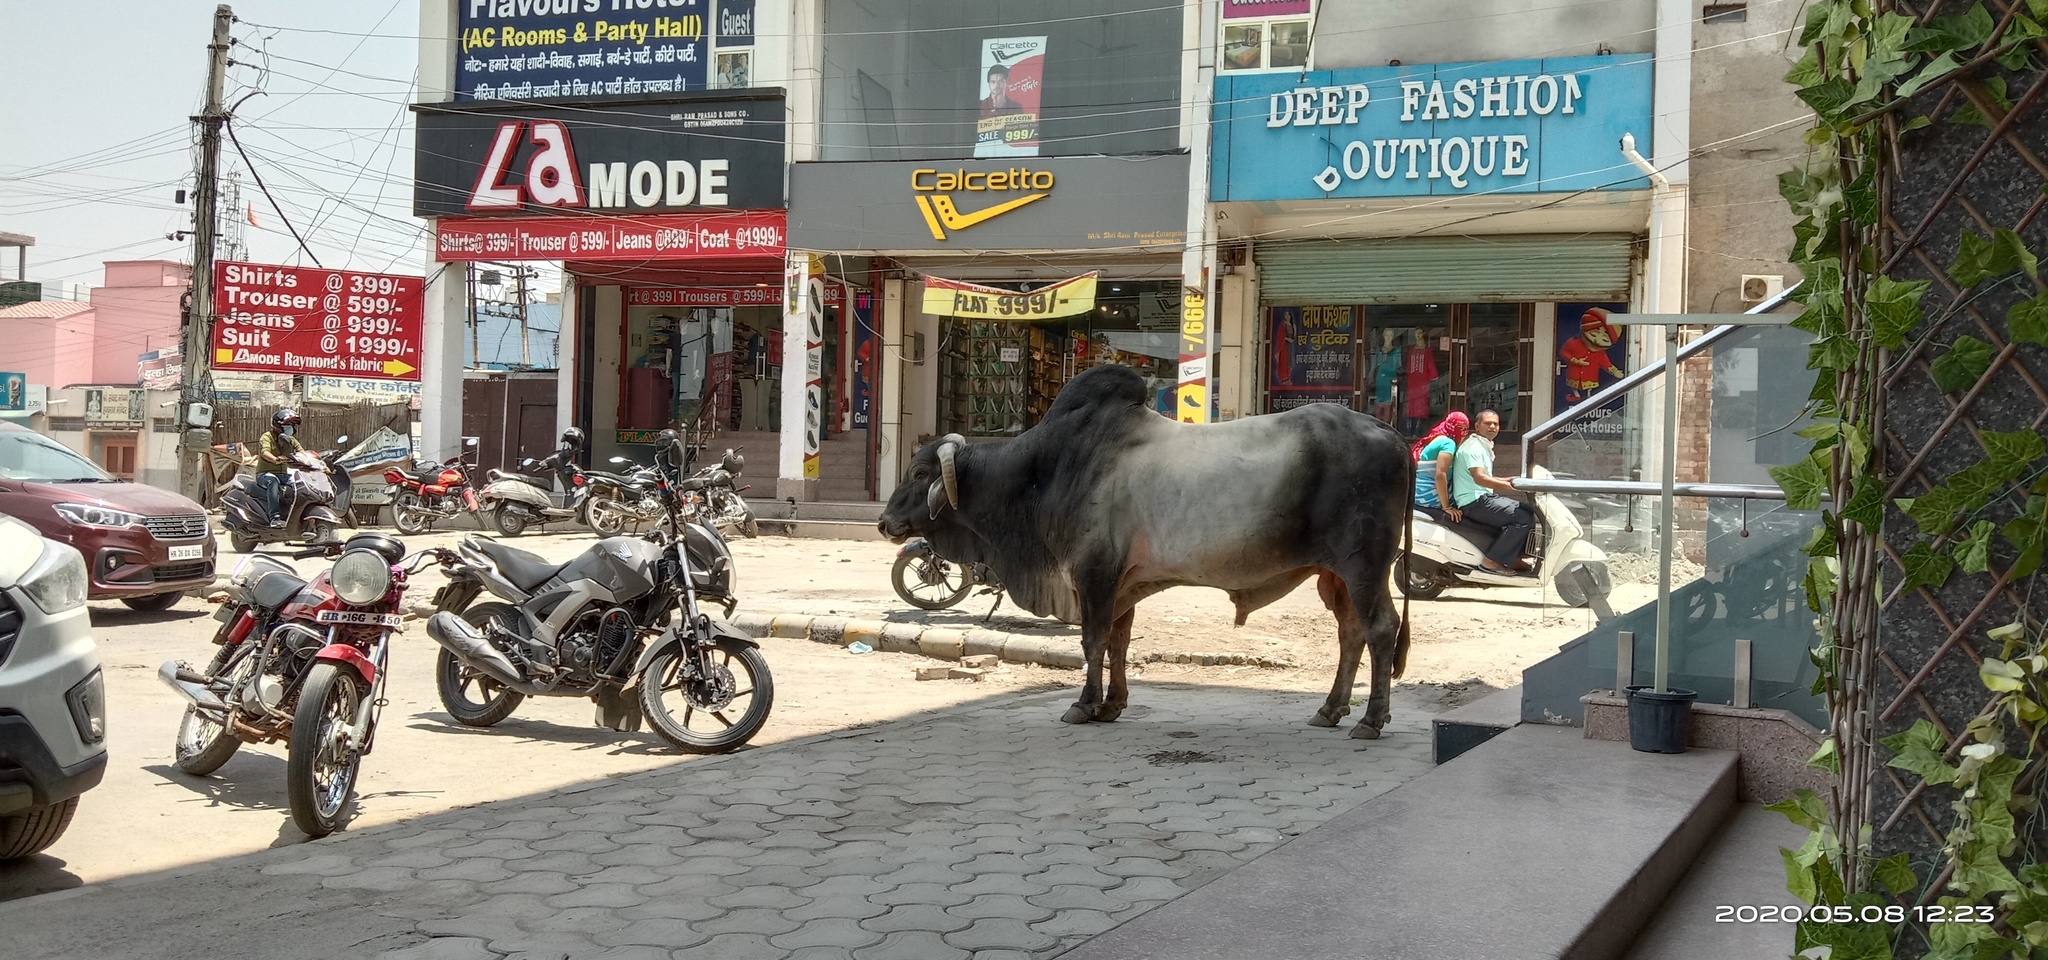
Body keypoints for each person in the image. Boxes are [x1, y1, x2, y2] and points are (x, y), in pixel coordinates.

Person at [1449, 409, 1537, 574]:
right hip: (1473, 502)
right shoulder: (1473, 447)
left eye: (1495, 424)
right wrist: (1510, 486)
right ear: (1477, 426)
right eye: (1487, 423)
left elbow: (1485, 477)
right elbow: (1480, 478)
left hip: (1483, 497)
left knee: (1528, 510)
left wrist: (1513, 480)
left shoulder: (1482, 445)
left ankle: (1515, 557)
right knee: (1522, 517)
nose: (1492, 427)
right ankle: (1491, 561)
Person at [1410, 412, 1470, 521]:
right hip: (1430, 497)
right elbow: (1440, 475)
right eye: (1459, 427)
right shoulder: (1448, 443)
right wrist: (1447, 506)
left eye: (1466, 428)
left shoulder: (1436, 438)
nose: (1463, 432)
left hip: (1417, 494)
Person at [256, 408, 305, 527]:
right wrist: (275, 459)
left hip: (284, 474)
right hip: (264, 474)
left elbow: (302, 452)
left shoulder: (291, 440)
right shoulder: (267, 437)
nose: (292, 428)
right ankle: (275, 518)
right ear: (278, 425)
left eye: (293, 425)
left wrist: (310, 460)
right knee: (273, 481)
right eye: (289, 425)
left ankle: (294, 516)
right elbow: (265, 452)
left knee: (300, 484)